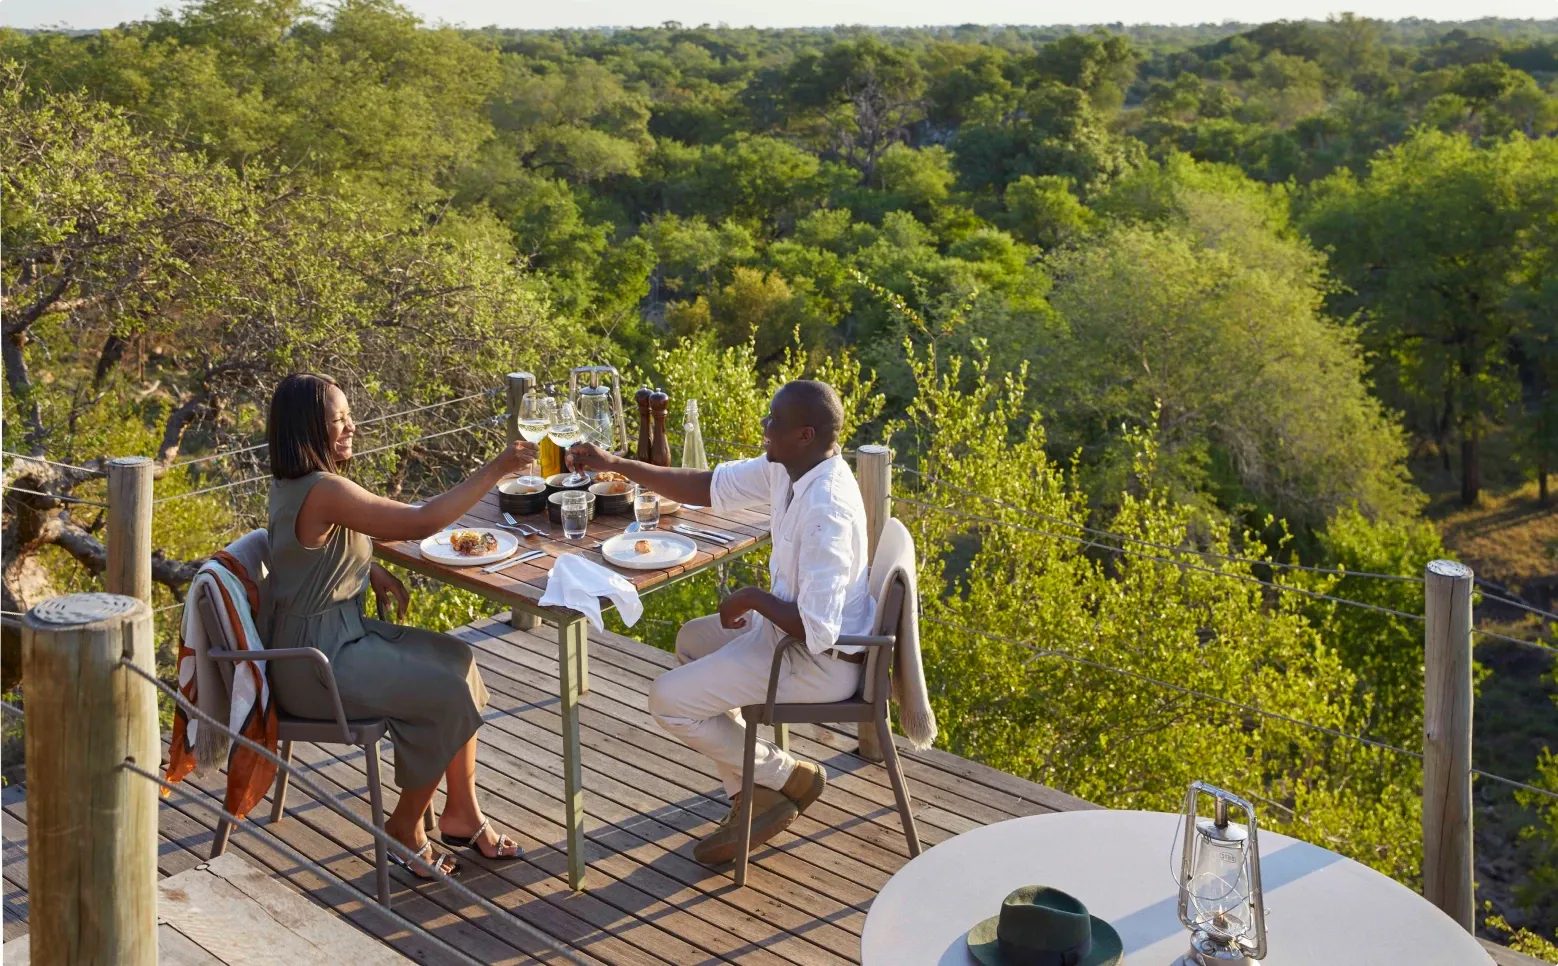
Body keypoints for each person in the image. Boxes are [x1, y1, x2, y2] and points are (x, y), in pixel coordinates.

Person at [566, 380, 874, 865]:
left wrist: (750, 596)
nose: (764, 426)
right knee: (692, 640)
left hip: (819, 663)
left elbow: (818, 629)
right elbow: (705, 486)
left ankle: (786, 775)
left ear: (805, 434)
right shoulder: (792, 470)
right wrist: (614, 464)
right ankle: (750, 797)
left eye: (774, 421)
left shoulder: (826, 509)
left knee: (667, 700)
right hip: (784, 639)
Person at [265, 372, 535, 877]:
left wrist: (366, 567)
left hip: (333, 637)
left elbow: (303, 552)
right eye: (338, 420)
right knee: (445, 694)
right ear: (307, 430)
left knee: (459, 660)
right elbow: (418, 522)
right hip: (315, 664)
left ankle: (461, 814)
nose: (351, 427)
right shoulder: (323, 488)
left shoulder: (299, 485)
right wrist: (497, 467)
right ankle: (404, 827)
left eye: (348, 417)